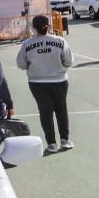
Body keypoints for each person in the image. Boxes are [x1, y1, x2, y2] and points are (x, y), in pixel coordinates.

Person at [17, 15, 74, 153]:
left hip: (37, 82)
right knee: (61, 109)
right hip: (59, 80)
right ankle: (65, 140)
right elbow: (68, 61)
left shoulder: (27, 44)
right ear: (49, 26)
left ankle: (51, 144)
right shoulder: (60, 41)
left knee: (45, 112)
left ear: (33, 27)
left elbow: (21, 64)